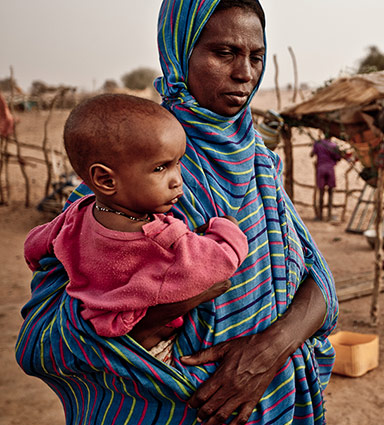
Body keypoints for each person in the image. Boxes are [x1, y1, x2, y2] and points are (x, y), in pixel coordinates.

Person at [16, 0, 338, 425]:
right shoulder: (139, 161)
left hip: (275, 403)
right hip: (180, 413)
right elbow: (41, 340)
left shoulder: (260, 162)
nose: (244, 73)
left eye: (256, 55)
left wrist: (268, 350)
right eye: (223, 52)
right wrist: (156, 311)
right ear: (179, 49)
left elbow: (317, 278)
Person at [23, 94, 248, 364]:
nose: (178, 180)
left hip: (94, 328)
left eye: (178, 163)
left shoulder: (76, 214)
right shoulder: (160, 238)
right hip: (153, 352)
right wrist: (227, 228)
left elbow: (35, 246)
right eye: (160, 168)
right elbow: (219, 264)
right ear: (105, 179)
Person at [311, 133, 342, 221]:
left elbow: (312, 154)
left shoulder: (318, 144)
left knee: (321, 192)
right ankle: (329, 215)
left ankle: (320, 216)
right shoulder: (334, 146)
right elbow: (338, 157)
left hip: (320, 169)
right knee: (330, 192)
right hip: (330, 169)